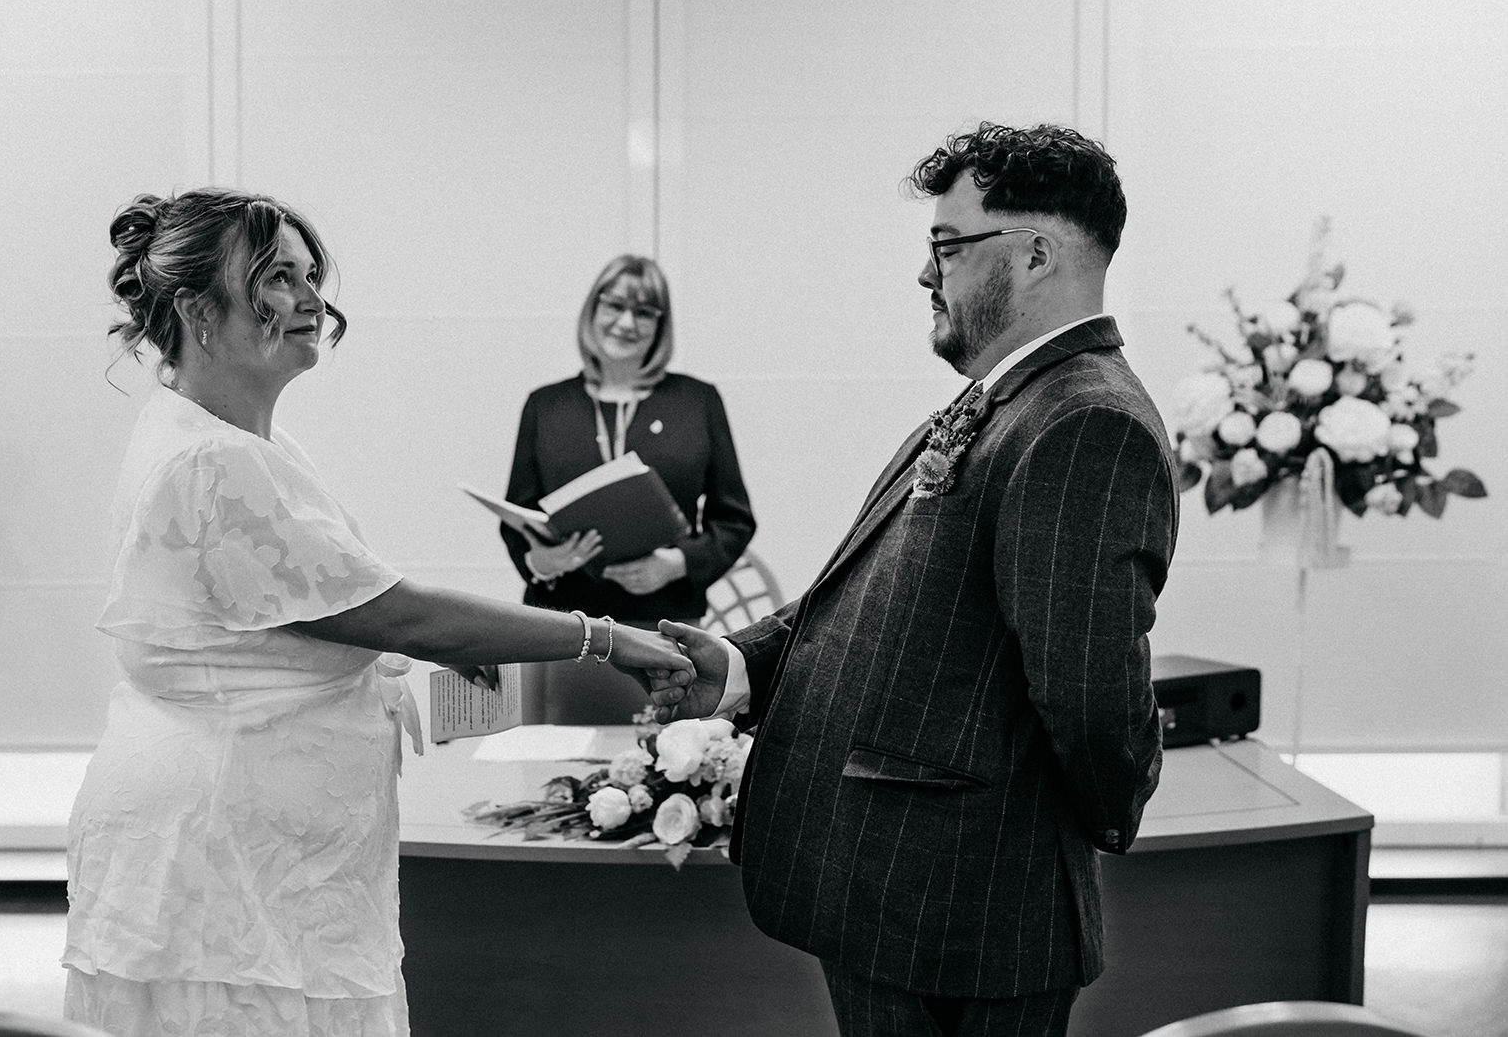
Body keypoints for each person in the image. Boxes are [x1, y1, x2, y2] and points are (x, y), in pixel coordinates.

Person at [62, 189, 691, 1037]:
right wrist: (602, 636)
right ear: (196, 311)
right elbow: (399, 615)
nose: (313, 300)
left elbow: (331, 616)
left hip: (252, 842)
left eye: (310, 274)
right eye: (277, 277)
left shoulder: (243, 444)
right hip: (223, 853)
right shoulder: (211, 460)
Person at [658, 124, 1176, 1037]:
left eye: (947, 246)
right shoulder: (1009, 399)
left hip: (967, 900)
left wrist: (1094, 815)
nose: (926, 273)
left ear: (1035, 254)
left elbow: (1089, 690)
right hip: (905, 889)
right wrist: (739, 664)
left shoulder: (1086, 422)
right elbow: (885, 600)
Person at [500, 254, 755, 723]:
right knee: (559, 771)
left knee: (659, 769)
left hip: (663, 626)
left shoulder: (697, 401)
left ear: (661, 325)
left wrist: (675, 563)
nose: (626, 322)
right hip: (560, 626)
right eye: (614, 305)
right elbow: (517, 515)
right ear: (592, 311)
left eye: (644, 312)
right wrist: (543, 562)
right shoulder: (547, 405)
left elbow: (734, 519)